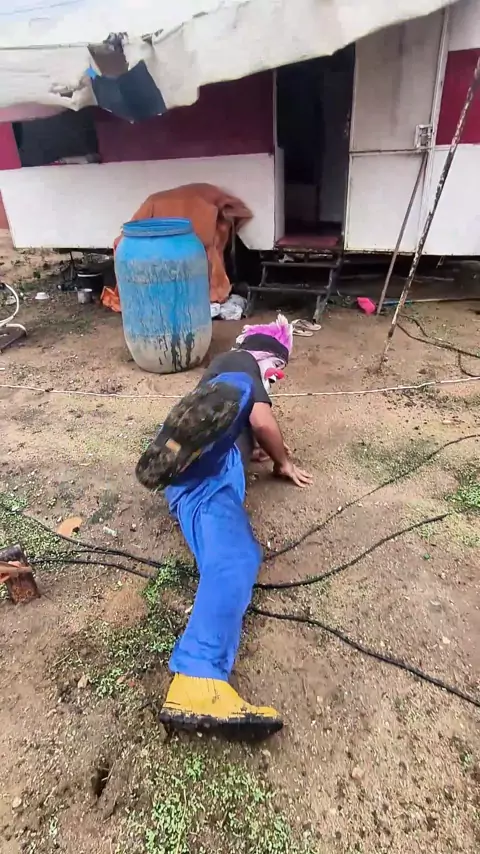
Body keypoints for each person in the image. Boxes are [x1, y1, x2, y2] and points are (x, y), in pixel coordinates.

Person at [135, 315, 312, 737]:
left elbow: (245, 423)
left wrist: (254, 448)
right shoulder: (243, 366)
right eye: (278, 368)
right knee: (235, 558)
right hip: (208, 477)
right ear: (267, 358)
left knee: (222, 551)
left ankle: (189, 456)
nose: (279, 377)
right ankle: (197, 679)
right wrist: (283, 461)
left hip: (215, 465)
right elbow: (262, 420)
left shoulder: (222, 376)